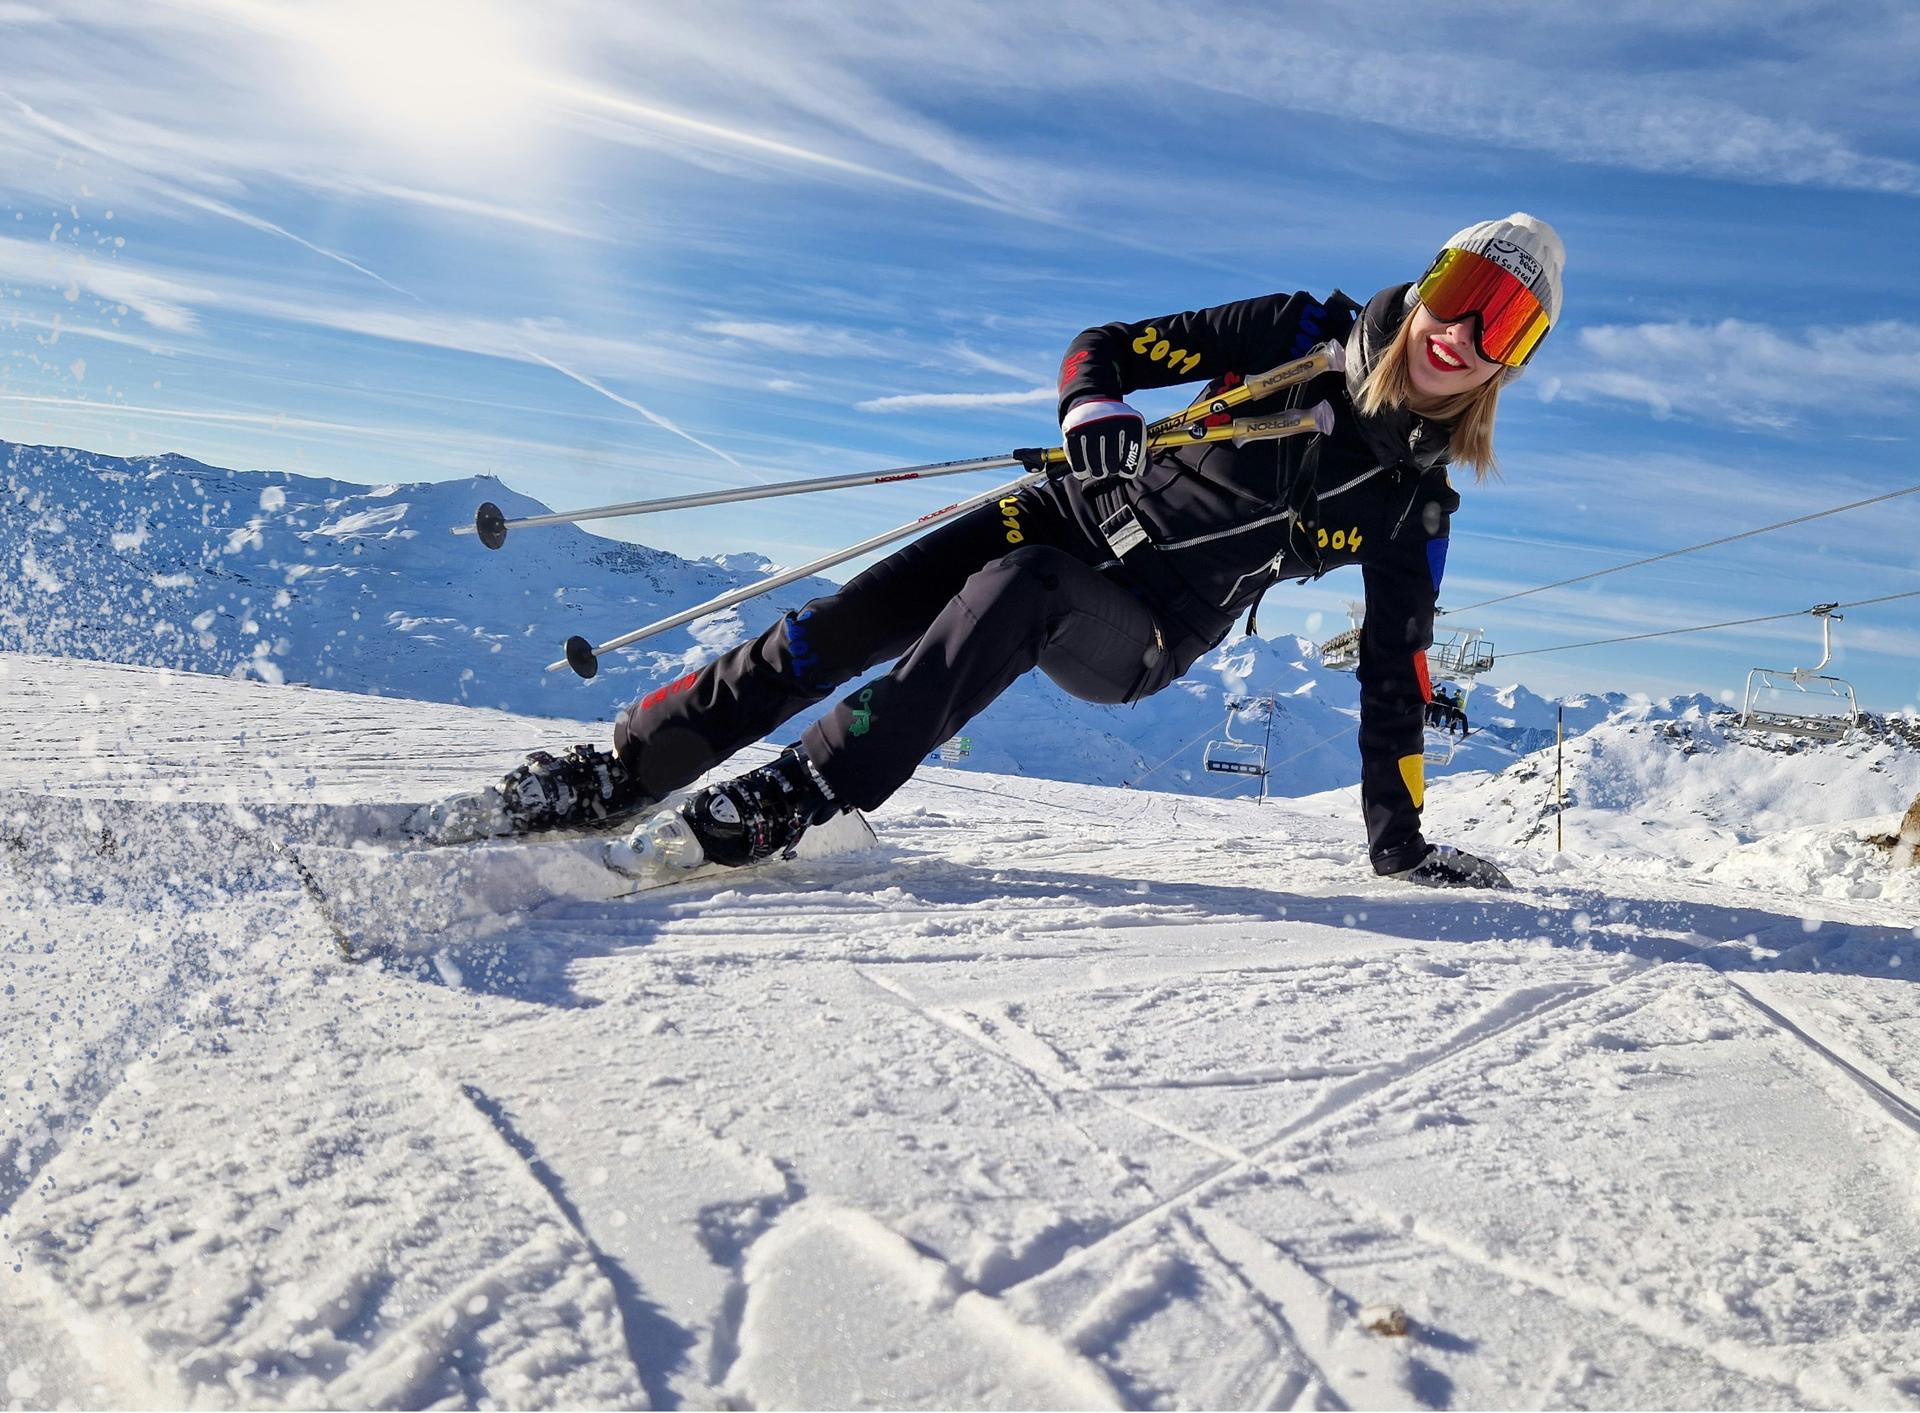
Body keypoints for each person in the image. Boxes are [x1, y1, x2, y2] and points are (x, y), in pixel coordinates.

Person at [490, 214, 1564, 889]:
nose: (1462, 333)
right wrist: (1092, 403)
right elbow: (1108, 348)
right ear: (1430, 281)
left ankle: (803, 795)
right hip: (1068, 513)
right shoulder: (1295, 334)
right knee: (840, 624)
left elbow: (1394, 679)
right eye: (1464, 292)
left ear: (1508, 367)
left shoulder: (1410, 512)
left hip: (1142, 633)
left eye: (1503, 326)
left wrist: (1401, 846)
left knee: (1023, 589)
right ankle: (623, 772)